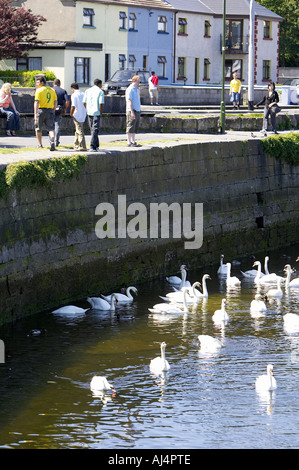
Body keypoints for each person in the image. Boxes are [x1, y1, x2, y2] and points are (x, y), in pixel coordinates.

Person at [34, 75, 57, 150]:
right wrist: (53, 110)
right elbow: (55, 101)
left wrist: (35, 113)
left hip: (41, 110)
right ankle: (52, 140)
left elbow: (36, 102)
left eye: (38, 82)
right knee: (51, 128)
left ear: (42, 82)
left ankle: (40, 144)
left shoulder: (39, 90)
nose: (37, 84)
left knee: (38, 128)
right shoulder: (52, 90)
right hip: (50, 110)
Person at [83, 79, 104, 151]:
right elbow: (101, 103)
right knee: (95, 129)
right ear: (99, 84)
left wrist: (86, 109)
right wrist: (101, 112)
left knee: (93, 129)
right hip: (96, 112)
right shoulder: (100, 91)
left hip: (89, 111)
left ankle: (96, 145)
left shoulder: (87, 91)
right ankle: (92, 146)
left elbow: (84, 102)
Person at [51, 78, 70, 147]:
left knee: (51, 126)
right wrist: (65, 109)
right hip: (59, 109)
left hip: (50, 109)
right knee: (57, 125)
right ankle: (56, 141)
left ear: (53, 84)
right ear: (60, 84)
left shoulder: (50, 90)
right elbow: (67, 101)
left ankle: (51, 140)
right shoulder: (63, 91)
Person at [69, 82, 87, 151]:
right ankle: (76, 145)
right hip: (83, 113)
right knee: (77, 130)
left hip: (77, 114)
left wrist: (71, 113)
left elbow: (73, 106)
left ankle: (83, 146)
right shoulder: (83, 94)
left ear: (72, 88)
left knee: (79, 130)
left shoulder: (74, 95)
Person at [126, 75, 141, 147]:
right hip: (132, 110)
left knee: (135, 127)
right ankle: (129, 142)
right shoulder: (130, 89)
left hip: (137, 110)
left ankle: (133, 141)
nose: (139, 83)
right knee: (130, 126)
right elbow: (129, 100)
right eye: (138, 81)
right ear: (134, 81)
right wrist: (131, 112)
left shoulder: (136, 89)